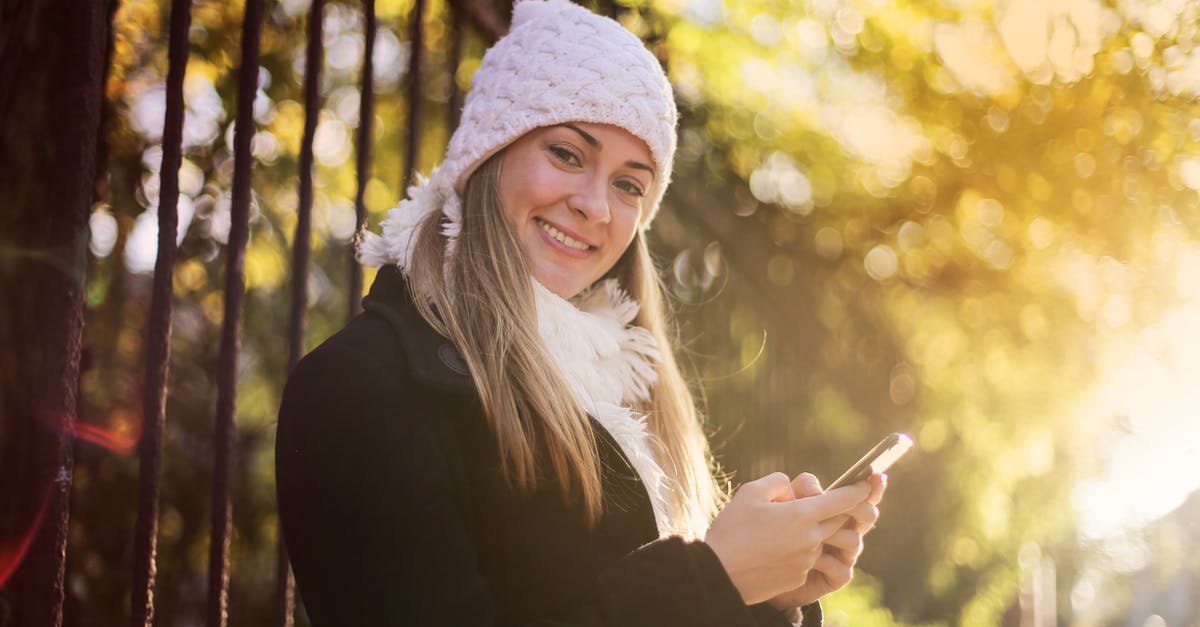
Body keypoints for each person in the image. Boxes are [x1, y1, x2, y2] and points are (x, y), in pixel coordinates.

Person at [275, 1, 886, 625]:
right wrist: (712, 578)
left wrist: (766, 596)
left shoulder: (615, 390)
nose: (596, 206)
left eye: (629, 184)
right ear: (490, 155)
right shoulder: (359, 386)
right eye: (567, 154)